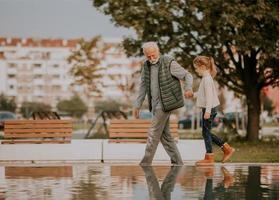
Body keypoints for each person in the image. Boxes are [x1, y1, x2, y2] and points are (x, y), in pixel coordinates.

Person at [133, 41, 193, 166]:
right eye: (148, 56)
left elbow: (187, 75)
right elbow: (143, 86)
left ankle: (145, 163)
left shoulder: (168, 62)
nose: (151, 58)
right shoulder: (146, 66)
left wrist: (188, 88)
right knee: (165, 135)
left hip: (166, 103)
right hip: (155, 105)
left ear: (158, 51)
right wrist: (137, 104)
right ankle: (178, 162)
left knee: (153, 132)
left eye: (153, 55)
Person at [192, 56, 235, 165]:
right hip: (209, 108)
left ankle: (210, 157)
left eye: (196, 68)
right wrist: (193, 94)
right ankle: (225, 148)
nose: (196, 70)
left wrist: (207, 111)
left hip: (209, 109)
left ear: (202, 66)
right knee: (206, 132)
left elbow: (210, 97)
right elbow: (203, 94)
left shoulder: (207, 79)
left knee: (206, 133)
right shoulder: (206, 78)